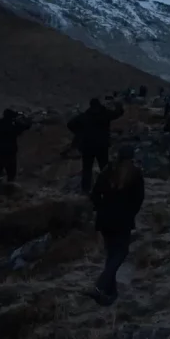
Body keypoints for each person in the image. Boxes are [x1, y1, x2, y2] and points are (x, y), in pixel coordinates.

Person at [89, 145, 145, 306]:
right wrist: (130, 213)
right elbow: (139, 199)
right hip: (123, 219)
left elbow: (94, 193)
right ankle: (100, 285)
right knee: (121, 253)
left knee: (111, 253)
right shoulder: (135, 174)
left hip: (105, 218)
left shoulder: (108, 170)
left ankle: (109, 293)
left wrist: (101, 207)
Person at [68, 98, 125, 193]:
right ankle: (107, 188)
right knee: (104, 168)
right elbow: (118, 113)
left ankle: (85, 190)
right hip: (102, 146)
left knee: (87, 169)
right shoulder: (105, 114)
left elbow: (70, 124)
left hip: (87, 147)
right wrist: (118, 105)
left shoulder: (84, 116)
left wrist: (79, 133)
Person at [0, 109, 32, 183]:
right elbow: (26, 127)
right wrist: (26, 119)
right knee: (11, 171)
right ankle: (9, 187)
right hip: (10, 151)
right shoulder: (13, 126)